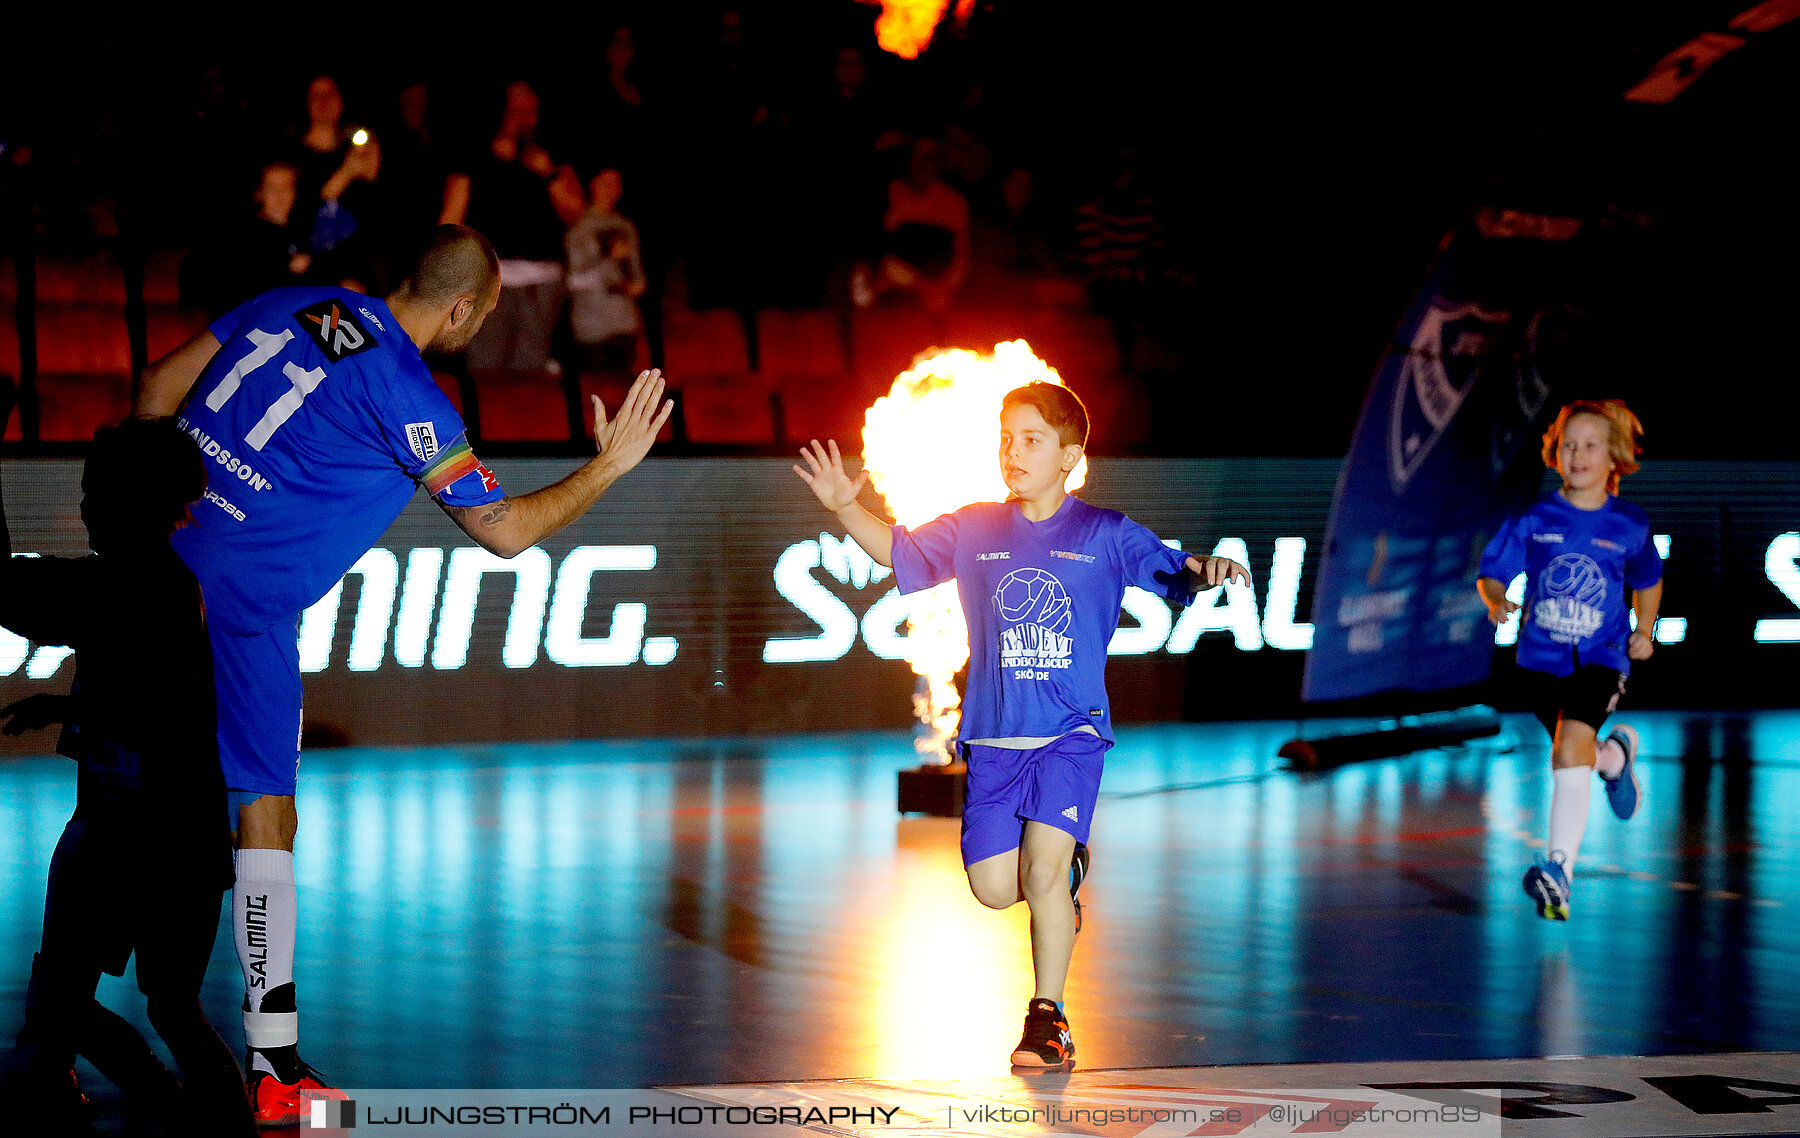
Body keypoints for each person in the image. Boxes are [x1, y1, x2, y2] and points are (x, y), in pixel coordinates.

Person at [131, 225, 672, 1124]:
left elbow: (155, 389)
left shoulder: (290, 301)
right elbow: (503, 533)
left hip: (152, 573)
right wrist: (610, 463)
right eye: (487, 313)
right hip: (245, 614)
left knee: (115, 794)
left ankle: (56, 1031)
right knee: (264, 816)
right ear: (461, 309)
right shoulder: (410, 395)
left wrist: (140, 543)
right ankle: (275, 1068)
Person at [793, 381, 1247, 1068]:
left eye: (1030, 439)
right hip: (994, 742)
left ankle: (1048, 1020)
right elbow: (900, 552)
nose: (1013, 450)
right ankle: (1064, 881)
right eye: (1006, 438)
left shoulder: (1104, 532)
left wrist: (1204, 568)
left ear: (1070, 456)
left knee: (1039, 872)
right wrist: (843, 506)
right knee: (995, 889)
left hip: (1072, 735)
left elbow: (1174, 568)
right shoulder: (975, 527)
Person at [0, 394, 255, 1137]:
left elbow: (8, 589)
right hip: (182, 839)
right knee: (173, 1007)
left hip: (125, 836)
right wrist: (68, 710)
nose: (83, 508)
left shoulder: (122, 584)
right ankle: (186, 1112)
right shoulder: (161, 585)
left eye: (91, 493)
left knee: (64, 1001)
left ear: (125, 502)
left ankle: (153, 1100)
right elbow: (154, 700)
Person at [1477, 399, 1661, 921]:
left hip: (1601, 658)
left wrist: (1644, 631)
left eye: (1591, 445)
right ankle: (1616, 759)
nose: (1578, 454)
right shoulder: (1535, 519)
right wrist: (1496, 599)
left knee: (1567, 750)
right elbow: (1493, 571)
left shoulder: (1629, 524)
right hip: (1539, 662)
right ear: (1555, 453)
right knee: (1575, 751)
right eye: (1568, 444)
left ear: (1614, 459)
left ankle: (1559, 871)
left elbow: (1648, 580)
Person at [564, 169, 646, 377]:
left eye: (616, 183)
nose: (611, 190)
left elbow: (637, 276)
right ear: (591, 185)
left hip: (624, 324)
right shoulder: (579, 229)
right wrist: (605, 254)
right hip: (592, 327)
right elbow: (574, 281)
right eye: (605, 183)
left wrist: (636, 286)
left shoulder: (625, 226)